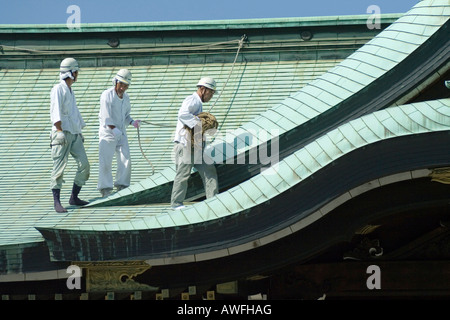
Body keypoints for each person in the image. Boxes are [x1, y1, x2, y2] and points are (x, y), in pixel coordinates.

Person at [170, 77, 219, 209]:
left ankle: (213, 201)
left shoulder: (198, 103)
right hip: (185, 145)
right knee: (183, 174)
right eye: (211, 92)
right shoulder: (192, 100)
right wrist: (198, 123)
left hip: (195, 146)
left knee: (209, 170)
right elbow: (182, 114)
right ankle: (176, 204)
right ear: (203, 89)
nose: (211, 96)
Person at [50, 57, 90, 213]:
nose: (78, 74)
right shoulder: (58, 89)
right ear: (72, 73)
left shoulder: (70, 90)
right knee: (59, 167)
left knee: (84, 165)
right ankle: (57, 202)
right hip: (62, 134)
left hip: (74, 133)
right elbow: (56, 112)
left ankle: (74, 196)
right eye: (76, 72)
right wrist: (59, 131)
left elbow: (74, 113)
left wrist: (79, 131)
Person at [97, 69, 141, 197]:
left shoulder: (126, 98)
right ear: (115, 82)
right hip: (108, 133)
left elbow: (126, 116)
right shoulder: (107, 95)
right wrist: (113, 129)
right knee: (106, 161)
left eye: (125, 85)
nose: (122, 88)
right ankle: (105, 189)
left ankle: (122, 186)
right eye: (120, 84)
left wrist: (132, 122)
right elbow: (106, 116)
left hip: (121, 133)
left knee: (125, 158)